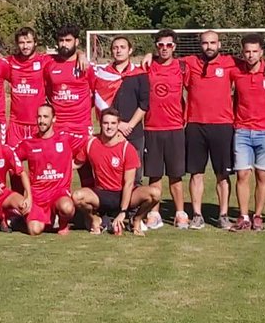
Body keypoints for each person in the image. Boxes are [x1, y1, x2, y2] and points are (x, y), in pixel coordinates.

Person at [72, 108, 160, 235]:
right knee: (77, 197)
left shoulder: (127, 148)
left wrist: (123, 212)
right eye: (106, 123)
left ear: (118, 125)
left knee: (155, 193)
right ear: (100, 124)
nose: (109, 127)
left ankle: (136, 220)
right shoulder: (91, 143)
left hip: (124, 194)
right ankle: (95, 219)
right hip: (101, 194)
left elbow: (129, 183)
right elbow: (76, 163)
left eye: (113, 123)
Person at [183, 30, 236, 230]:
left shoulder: (231, 63)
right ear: (200, 45)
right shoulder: (189, 63)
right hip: (195, 125)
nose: (209, 46)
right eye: (205, 43)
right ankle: (197, 215)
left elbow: (256, 62)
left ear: (219, 44)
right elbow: (162, 59)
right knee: (196, 173)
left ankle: (223, 215)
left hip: (222, 126)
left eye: (213, 42)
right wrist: (148, 55)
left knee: (222, 174)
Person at [229, 34, 265, 231]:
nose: (250, 55)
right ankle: (243, 216)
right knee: (242, 174)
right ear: (242, 53)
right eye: (247, 51)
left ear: (261, 52)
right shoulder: (236, 72)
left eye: (254, 51)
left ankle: (258, 215)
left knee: (262, 175)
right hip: (242, 131)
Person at [142, 30, 189, 228]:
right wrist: (148, 56)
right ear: (156, 46)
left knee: (175, 174)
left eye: (168, 45)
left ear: (174, 47)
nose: (164, 49)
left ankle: (180, 213)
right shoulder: (148, 66)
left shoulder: (182, 67)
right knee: (154, 174)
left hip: (175, 127)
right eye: (160, 45)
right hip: (152, 127)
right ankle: (154, 213)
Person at [89, 35, 148, 176]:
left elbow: (144, 103)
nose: (119, 50)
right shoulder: (103, 74)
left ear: (130, 50)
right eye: (115, 48)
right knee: (109, 173)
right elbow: (99, 100)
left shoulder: (140, 74)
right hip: (110, 131)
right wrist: (118, 124)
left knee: (135, 176)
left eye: (122, 47)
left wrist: (129, 126)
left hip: (133, 132)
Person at [15, 103, 76, 236]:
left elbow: (88, 145)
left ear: (54, 119)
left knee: (67, 207)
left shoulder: (65, 138)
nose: (41, 120)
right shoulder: (29, 143)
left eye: (45, 117)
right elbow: (12, 159)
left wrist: (75, 164)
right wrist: (25, 188)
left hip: (58, 192)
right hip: (37, 195)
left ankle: (62, 222)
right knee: (34, 230)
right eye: (39, 117)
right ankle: (49, 218)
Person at [45, 25, 94, 152]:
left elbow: (95, 92)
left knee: (85, 168)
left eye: (68, 40)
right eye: (61, 40)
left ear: (76, 42)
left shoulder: (85, 66)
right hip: (57, 126)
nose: (64, 44)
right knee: (59, 168)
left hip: (81, 126)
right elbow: (49, 92)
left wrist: (80, 53)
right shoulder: (50, 64)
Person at [6, 27, 51, 147]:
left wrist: (80, 53)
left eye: (29, 42)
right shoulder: (10, 62)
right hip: (16, 124)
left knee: (40, 163)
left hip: (38, 123)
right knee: (12, 162)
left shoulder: (45, 61)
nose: (25, 46)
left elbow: (67, 57)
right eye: (21, 42)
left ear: (35, 42)